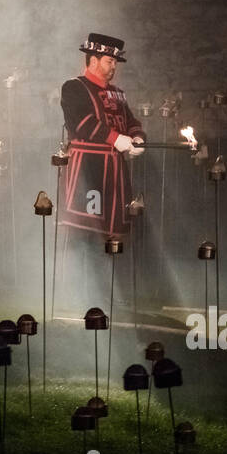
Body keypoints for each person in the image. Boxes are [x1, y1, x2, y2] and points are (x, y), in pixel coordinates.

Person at [57, 33, 145, 314]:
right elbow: (82, 122)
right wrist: (115, 138)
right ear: (93, 60)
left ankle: (110, 294)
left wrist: (137, 137)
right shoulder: (73, 87)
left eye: (115, 61)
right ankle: (77, 294)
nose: (113, 66)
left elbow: (131, 121)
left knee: (113, 233)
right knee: (85, 232)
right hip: (88, 168)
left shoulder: (117, 92)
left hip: (116, 172)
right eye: (109, 60)